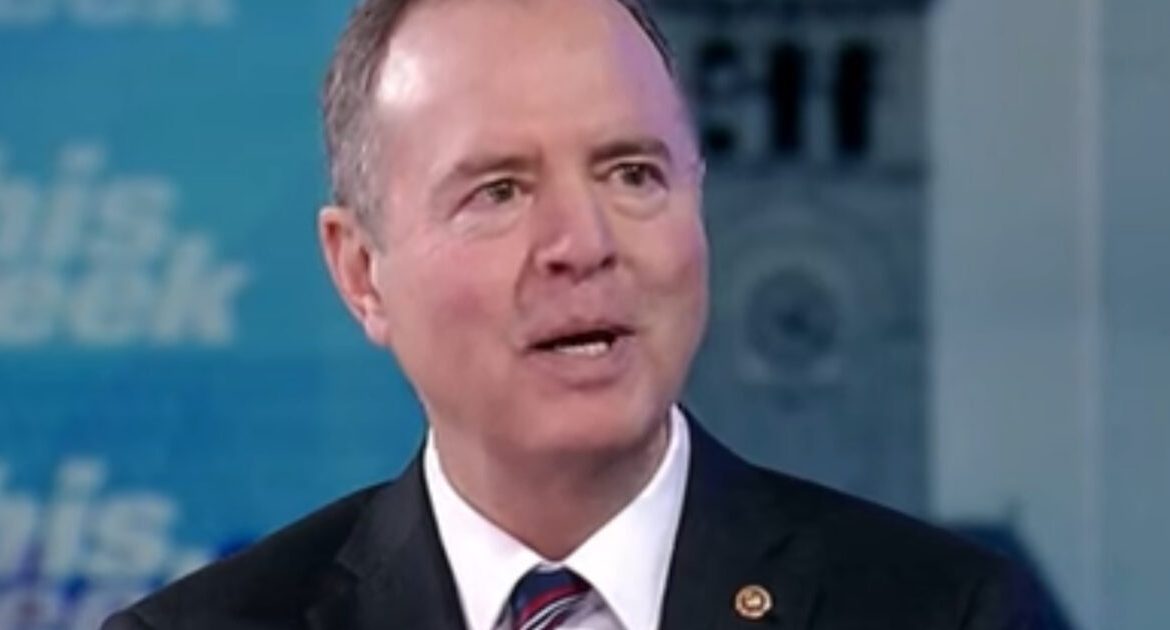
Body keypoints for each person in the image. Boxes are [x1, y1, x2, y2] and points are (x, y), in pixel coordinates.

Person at [103, 0, 1048, 628]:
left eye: (632, 174)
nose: (583, 243)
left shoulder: (948, 612)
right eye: (499, 191)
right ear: (362, 274)